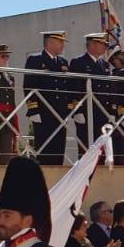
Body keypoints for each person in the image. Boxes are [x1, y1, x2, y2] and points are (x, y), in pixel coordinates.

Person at [24, 31, 75, 164]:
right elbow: (29, 86)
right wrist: (33, 110)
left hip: (61, 112)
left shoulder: (63, 62)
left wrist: (69, 109)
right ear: (50, 42)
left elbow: (67, 87)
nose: (63, 45)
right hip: (43, 112)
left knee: (59, 150)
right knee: (44, 149)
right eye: (60, 42)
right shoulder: (35, 60)